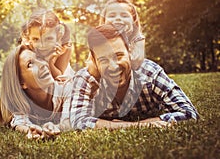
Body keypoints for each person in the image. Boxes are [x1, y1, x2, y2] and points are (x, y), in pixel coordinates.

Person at [70, 24, 199, 130]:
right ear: (94, 61)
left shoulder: (149, 73)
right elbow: (78, 121)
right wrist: (140, 125)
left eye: (118, 55)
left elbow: (189, 113)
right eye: (103, 60)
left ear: (130, 52)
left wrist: (159, 120)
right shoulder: (85, 79)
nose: (113, 66)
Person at [0, 44, 72, 139]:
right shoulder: (19, 100)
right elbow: (20, 123)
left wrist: (54, 128)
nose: (42, 64)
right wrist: (30, 130)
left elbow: (68, 122)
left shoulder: (66, 89)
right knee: (0, 102)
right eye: (30, 64)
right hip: (5, 99)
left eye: (39, 58)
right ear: (21, 83)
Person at [19, 9, 74, 81]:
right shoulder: (26, 49)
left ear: (58, 36)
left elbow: (57, 78)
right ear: (29, 38)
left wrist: (49, 61)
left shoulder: (65, 47)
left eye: (48, 39)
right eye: (36, 39)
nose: (42, 45)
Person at [99, 0, 145, 70]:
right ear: (104, 21)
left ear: (133, 22)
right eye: (112, 16)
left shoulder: (138, 40)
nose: (118, 18)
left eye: (124, 16)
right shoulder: (98, 42)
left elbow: (136, 62)